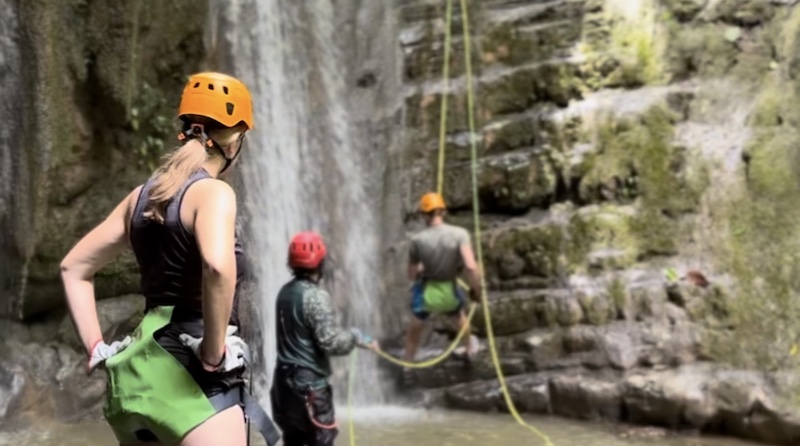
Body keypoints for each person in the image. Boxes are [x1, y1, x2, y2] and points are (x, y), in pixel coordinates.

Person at [60, 72, 279, 446]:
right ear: (236, 139)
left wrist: (97, 348)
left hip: (136, 380)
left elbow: (73, 267)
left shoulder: (141, 197)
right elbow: (217, 267)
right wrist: (213, 353)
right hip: (191, 380)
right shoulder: (213, 193)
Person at [271, 231, 378, 446]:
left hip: (283, 387)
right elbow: (329, 341)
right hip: (310, 388)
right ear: (321, 262)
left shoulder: (284, 292)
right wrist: (355, 338)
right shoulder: (317, 297)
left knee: (293, 441)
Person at [403, 192, 482, 365]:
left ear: (424, 215)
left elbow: (411, 275)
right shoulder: (460, 234)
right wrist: (476, 289)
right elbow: (470, 265)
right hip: (449, 292)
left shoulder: (417, 240)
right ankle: (470, 348)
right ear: (443, 212)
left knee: (414, 328)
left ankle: (407, 366)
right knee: (459, 316)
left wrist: (423, 267)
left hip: (426, 294)